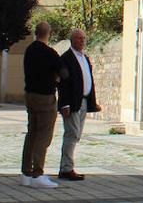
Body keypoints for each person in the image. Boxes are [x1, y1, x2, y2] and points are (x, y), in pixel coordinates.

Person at [20, 21, 62, 189]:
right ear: (49, 33)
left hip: (30, 95)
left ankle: (25, 173)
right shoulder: (50, 53)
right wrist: (57, 78)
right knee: (43, 136)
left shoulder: (29, 50)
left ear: (35, 33)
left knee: (31, 133)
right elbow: (62, 71)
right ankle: (38, 173)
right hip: (45, 97)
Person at [56, 28, 100, 181]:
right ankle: (66, 168)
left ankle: (67, 166)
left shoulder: (85, 58)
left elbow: (88, 80)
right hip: (72, 102)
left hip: (84, 100)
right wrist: (64, 104)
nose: (82, 41)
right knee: (71, 133)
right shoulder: (66, 58)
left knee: (77, 135)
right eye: (79, 38)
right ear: (72, 40)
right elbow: (63, 84)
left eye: (83, 38)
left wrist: (93, 102)